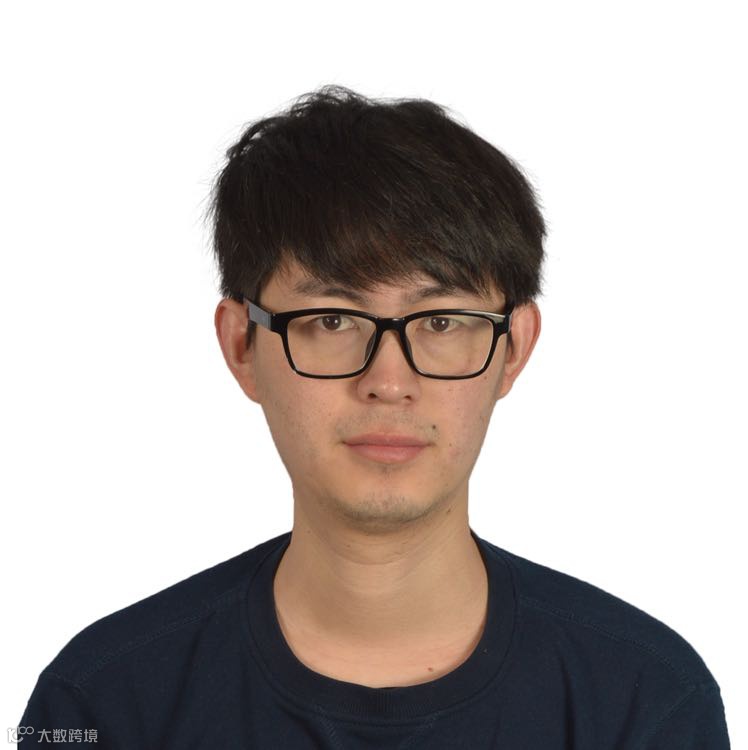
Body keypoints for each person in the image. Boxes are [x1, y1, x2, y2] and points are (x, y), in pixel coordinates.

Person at [18, 85, 731, 748]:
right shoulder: (104, 703)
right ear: (241, 345)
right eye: (332, 319)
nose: (388, 383)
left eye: (442, 321)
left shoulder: (645, 701)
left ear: (513, 348)